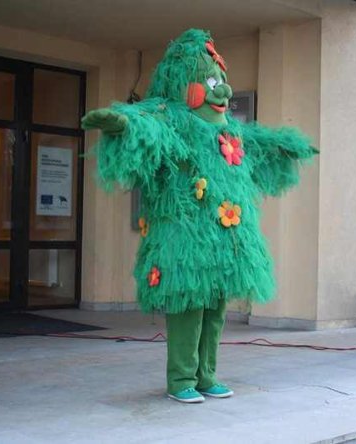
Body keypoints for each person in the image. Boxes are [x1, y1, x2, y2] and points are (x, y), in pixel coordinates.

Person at [82, 29, 316, 404]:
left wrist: (287, 147)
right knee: (188, 305)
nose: (222, 91)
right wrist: (122, 124)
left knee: (215, 306)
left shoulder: (231, 130)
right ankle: (181, 380)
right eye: (210, 82)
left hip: (224, 237)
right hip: (185, 237)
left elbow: (260, 144)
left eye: (221, 80)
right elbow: (147, 123)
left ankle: (207, 375)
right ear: (181, 86)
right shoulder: (172, 118)